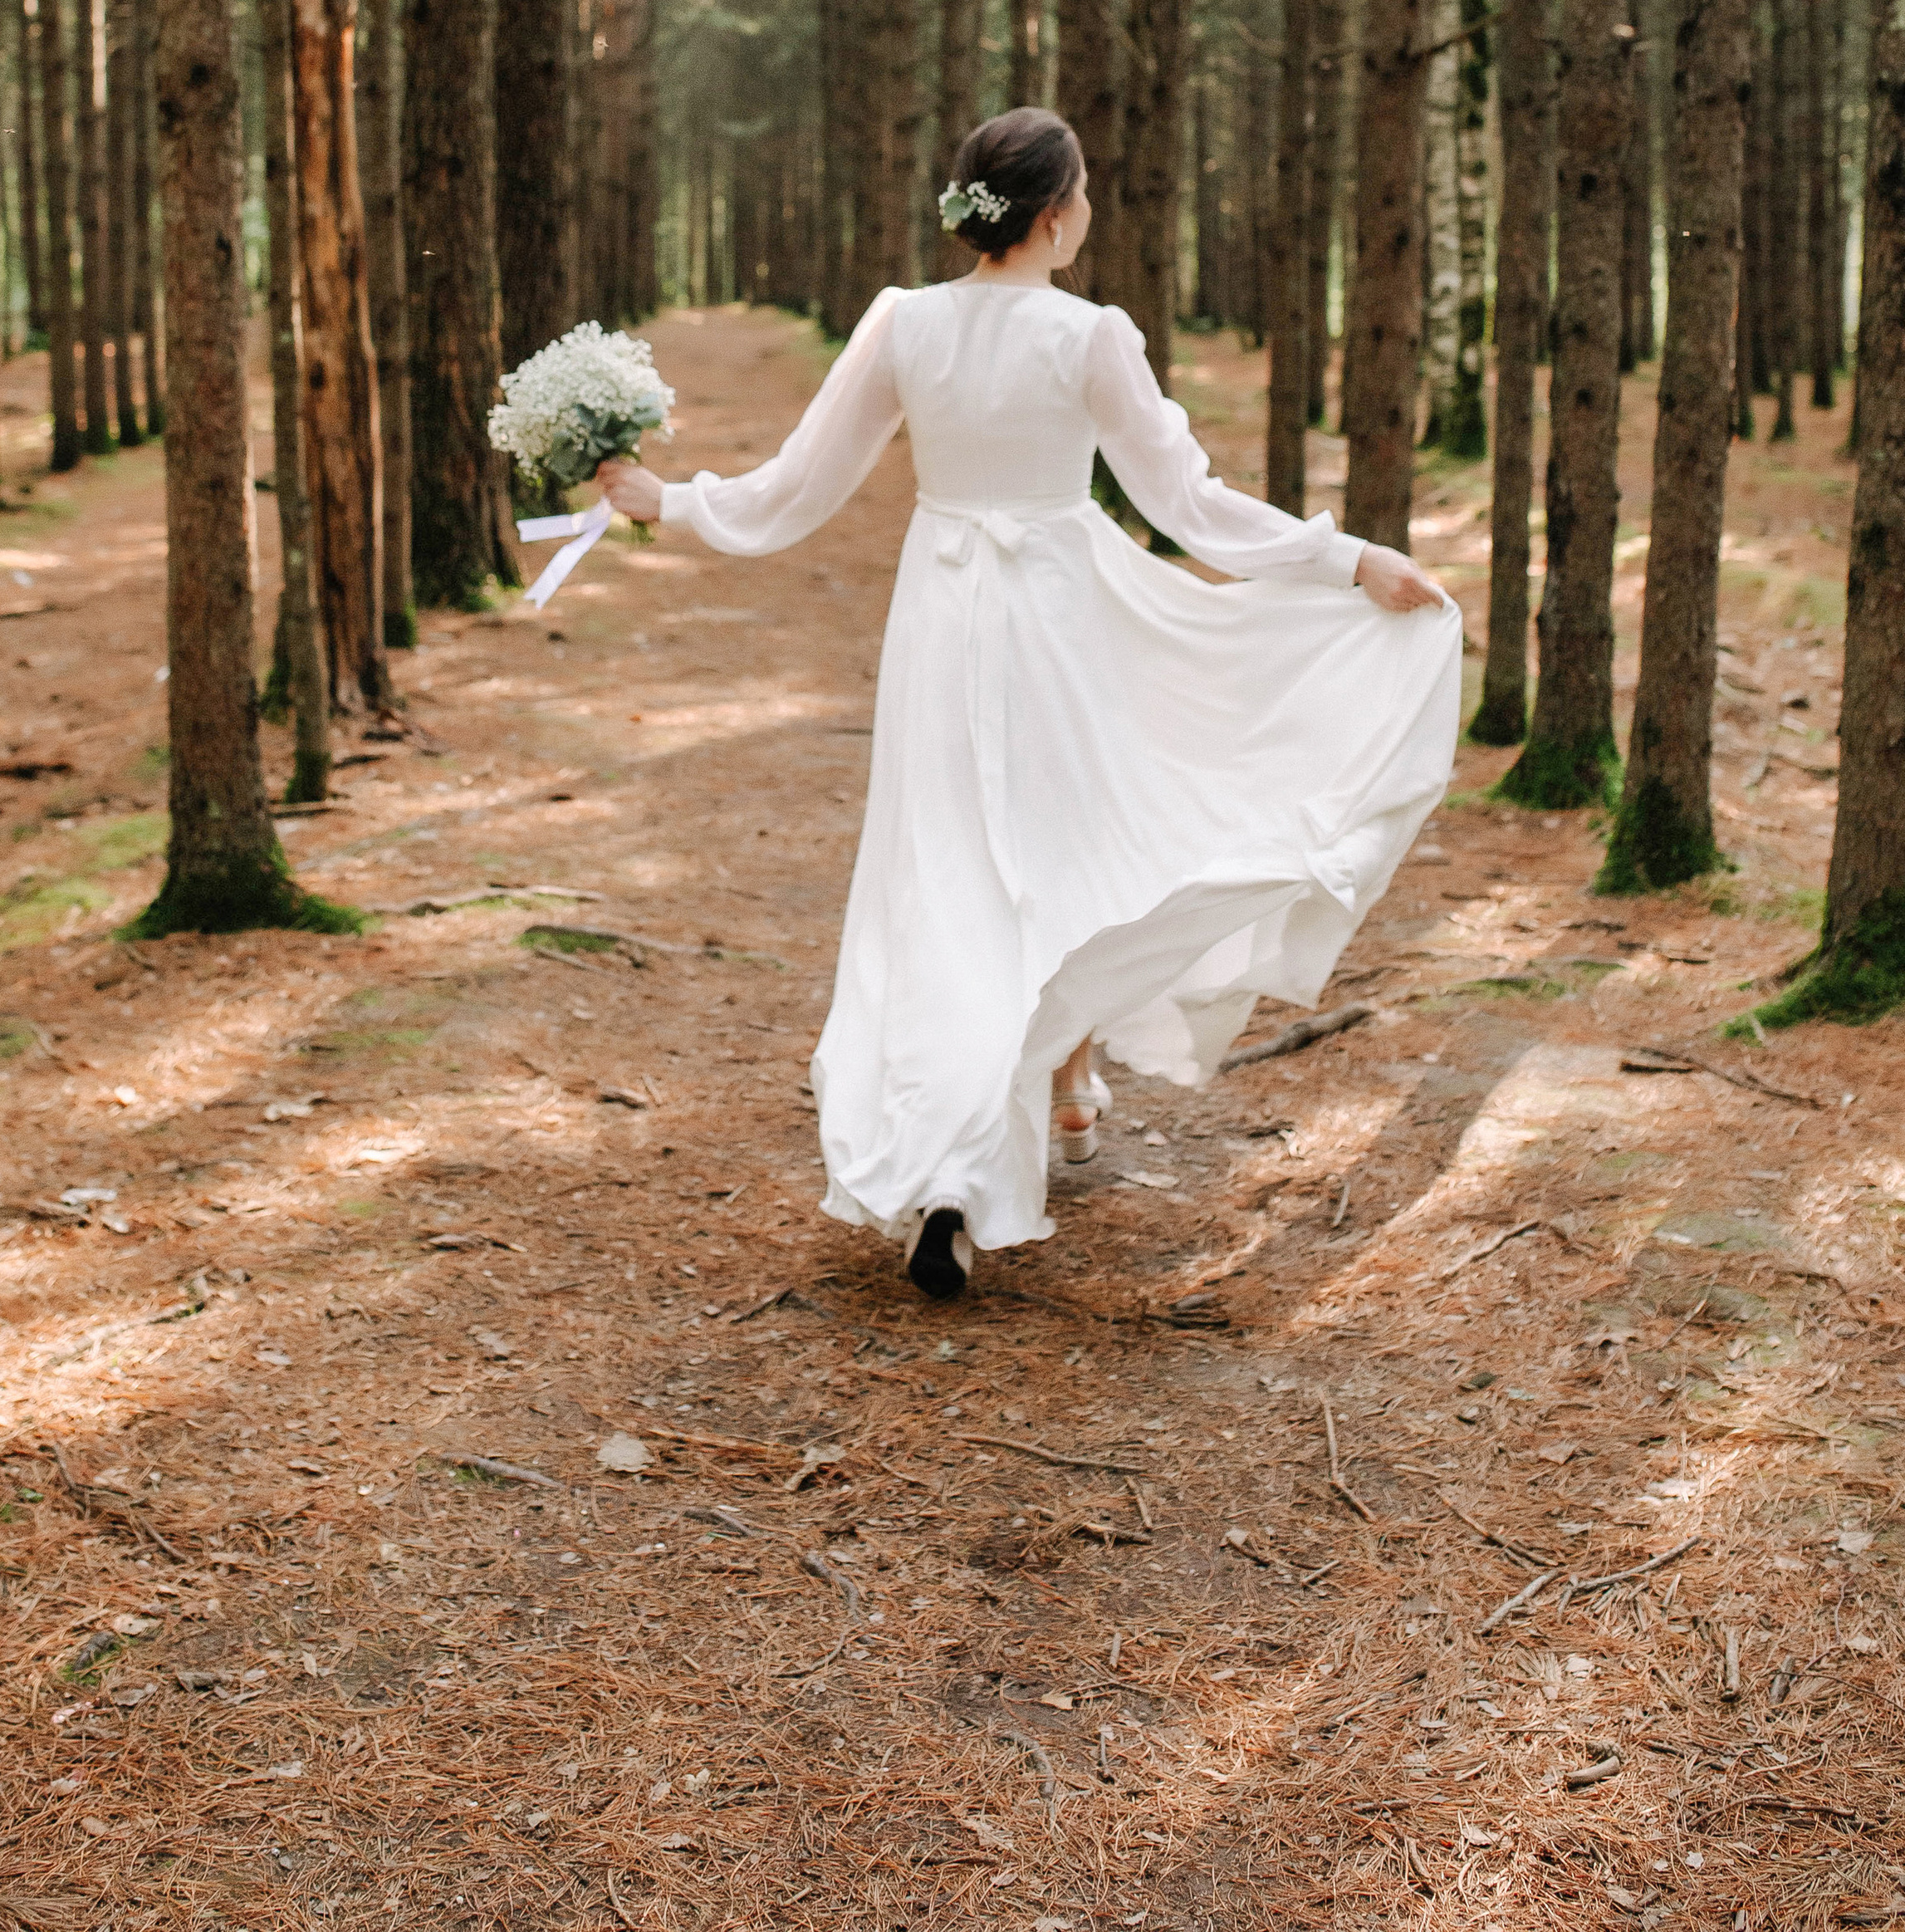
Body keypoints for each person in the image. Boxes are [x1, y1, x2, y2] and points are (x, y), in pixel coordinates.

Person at [599, 107, 1461, 1305]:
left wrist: (664, 500)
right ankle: (1043, 1091)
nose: (1091, 211)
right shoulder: (1092, 336)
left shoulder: (904, 322)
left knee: (943, 874)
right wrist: (1346, 558)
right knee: (1063, 851)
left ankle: (962, 1164)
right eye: (1087, 193)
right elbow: (1188, 504)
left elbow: (795, 489)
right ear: (1053, 215)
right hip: (1061, 621)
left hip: (944, 623)